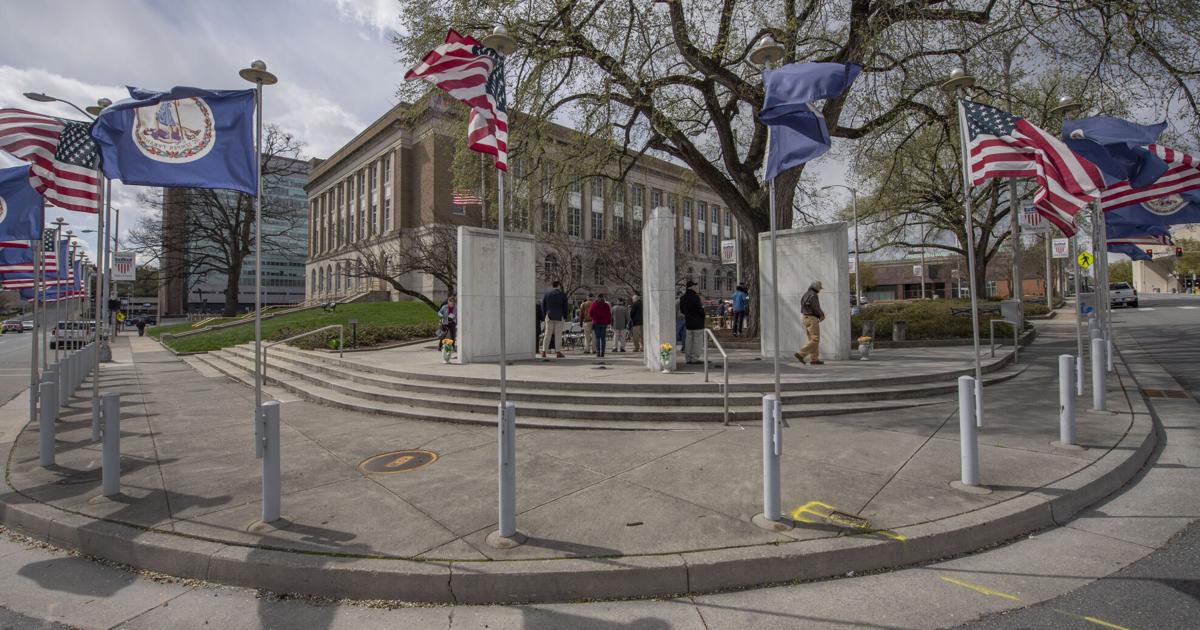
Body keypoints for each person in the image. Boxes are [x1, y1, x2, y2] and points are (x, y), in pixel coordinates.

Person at [795, 280, 825, 365]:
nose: (820, 290)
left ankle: (814, 359)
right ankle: (801, 353)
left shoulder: (806, 294)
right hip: (812, 318)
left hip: (805, 317)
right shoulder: (813, 295)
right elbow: (816, 307)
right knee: (815, 339)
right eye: (819, 288)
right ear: (816, 287)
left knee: (812, 339)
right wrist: (821, 315)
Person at [680, 280, 706, 364]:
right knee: (697, 342)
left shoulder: (683, 298)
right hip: (698, 323)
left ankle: (688, 358)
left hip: (688, 322)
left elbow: (682, 310)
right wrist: (703, 315)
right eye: (695, 286)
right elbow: (700, 309)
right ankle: (694, 358)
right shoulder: (695, 297)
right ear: (691, 287)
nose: (696, 288)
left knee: (688, 341)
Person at [541, 280, 569, 359]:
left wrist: (544, 315)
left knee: (547, 334)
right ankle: (558, 352)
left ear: (552, 286)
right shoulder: (562, 294)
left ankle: (544, 351)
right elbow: (565, 307)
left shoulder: (547, 294)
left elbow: (543, 305)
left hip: (549, 315)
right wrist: (565, 316)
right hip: (559, 316)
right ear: (559, 286)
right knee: (558, 335)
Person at [590, 293, 612, 358]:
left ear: (597, 298)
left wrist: (594, 318)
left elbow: (590, 313)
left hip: (596, 323)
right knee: (603, 338)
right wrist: (609, 322)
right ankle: (602, 352)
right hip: (604, 323)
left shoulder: (594, 304)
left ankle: (598, 352)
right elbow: (609, 314)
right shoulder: (606, 305)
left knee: (597, 338)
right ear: (603, 298)